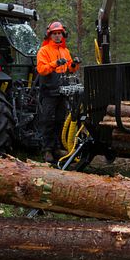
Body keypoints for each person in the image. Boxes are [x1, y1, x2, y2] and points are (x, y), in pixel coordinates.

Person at [36, 21, 80, 163]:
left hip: (62, 91)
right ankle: (47, 150)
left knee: (61, 119)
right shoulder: (44, 51)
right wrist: (55, 63)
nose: (57, 36)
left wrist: (74, 64)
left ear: (63, 35)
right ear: (49, 35)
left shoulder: (65, 51)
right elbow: (41, 69)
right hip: (49, 91)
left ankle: (57, 147)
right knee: (48, 120)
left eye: (59, 33)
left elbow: (70, 69)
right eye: (54, 34)